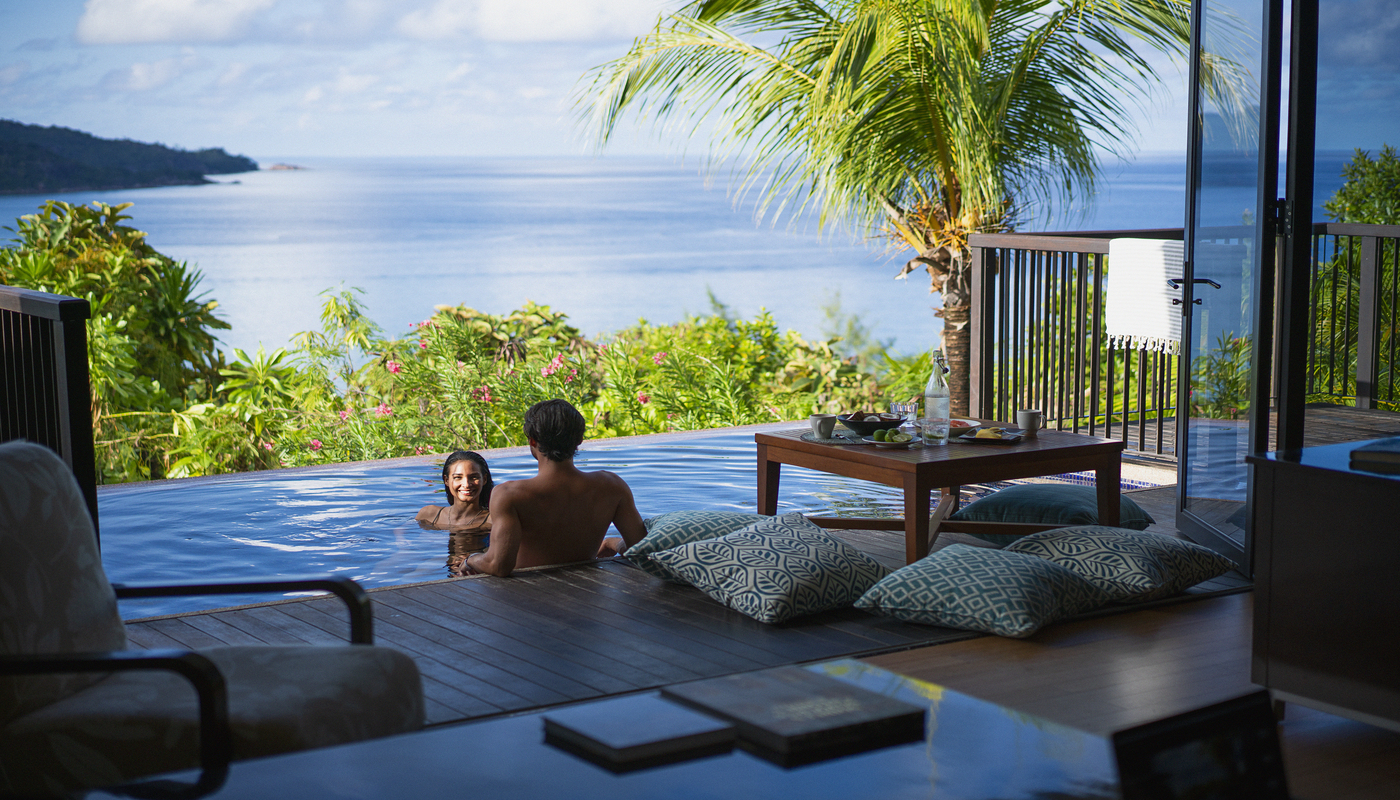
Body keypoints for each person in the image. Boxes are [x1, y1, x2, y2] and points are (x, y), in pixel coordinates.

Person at [463, 399, 646, 577]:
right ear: (580, 439)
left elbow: (499, 566)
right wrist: (613, 543)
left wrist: (471, 560)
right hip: (588, 593)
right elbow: (641, 549)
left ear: (532, 441)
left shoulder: (509, 495)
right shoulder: (612, 486)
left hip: (524, 597)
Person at [416, 450, 494, 532]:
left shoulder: (492, 521)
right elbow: (402, 535)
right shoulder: (428, 514)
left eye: (474, 477)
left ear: (484, 479)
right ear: (446, 480)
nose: (466, 484)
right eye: (458, 477)